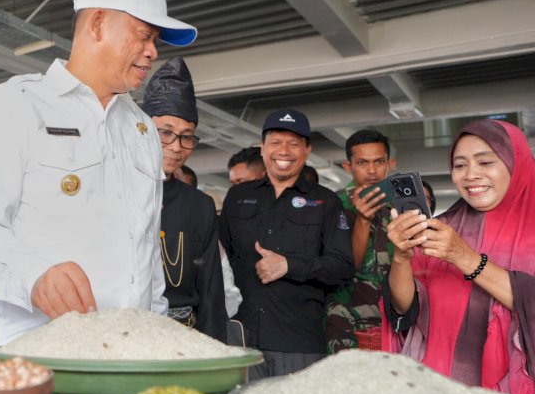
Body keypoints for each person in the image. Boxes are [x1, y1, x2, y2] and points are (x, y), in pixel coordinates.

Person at [0, 0, 197, 346]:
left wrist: (157, 334)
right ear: (97, 24)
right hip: (39, 352)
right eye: (144, 36)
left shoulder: (143, 130)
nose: (152, 52)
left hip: (129, 353)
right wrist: (33, 277)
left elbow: (146, 250)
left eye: (155, 41)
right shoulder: (20, 103)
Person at [384, 120, 535, 394]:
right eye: (460, 165)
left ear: (515, 163)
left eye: (485, 162)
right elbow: (405, 309)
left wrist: (466, 258)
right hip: (440, 387)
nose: (471, 175)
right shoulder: (443, 227)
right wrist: (400, 256)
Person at [219, 109, 353, 377]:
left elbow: (342, 267)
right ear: (262, 148)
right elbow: (219, 263)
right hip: (240, 341)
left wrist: (289, 266)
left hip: (298, 345)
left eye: (294, 144)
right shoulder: (237, 198)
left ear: (307, 150)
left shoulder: (326, 202)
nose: (284, 151)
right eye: (276, 142)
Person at [143, 57, 227, 342]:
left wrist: (216, 351)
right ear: (141, 129)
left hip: (183, 337)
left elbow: (211, 287)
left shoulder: (199, 205)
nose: (176, 147)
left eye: (187, 137)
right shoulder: (114, 189)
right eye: (166, 133)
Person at [325, 129, 397, 353]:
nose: (372, 171)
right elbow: (343, 267)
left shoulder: (402, 206)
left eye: (379, 162)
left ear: (390, 164)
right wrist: (363, 220)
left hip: (393, 321)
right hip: (344, 319)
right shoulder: (332, 206)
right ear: (349, 166)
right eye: (363, 162)